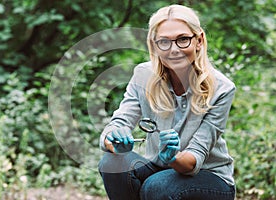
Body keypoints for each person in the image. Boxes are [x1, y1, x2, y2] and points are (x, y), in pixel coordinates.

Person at [98, 4, 236, 200]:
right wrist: (114, 139)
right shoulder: (142, 75)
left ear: (199, 40)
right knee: (112, 164)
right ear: (154, 45)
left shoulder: (222, 88)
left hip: (209, 178)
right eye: (164, 42)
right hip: (159, 169)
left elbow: (195, 157)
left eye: (183, 40)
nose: (174, 50)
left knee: (158, 186)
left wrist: (174, 157)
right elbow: (116, 125)